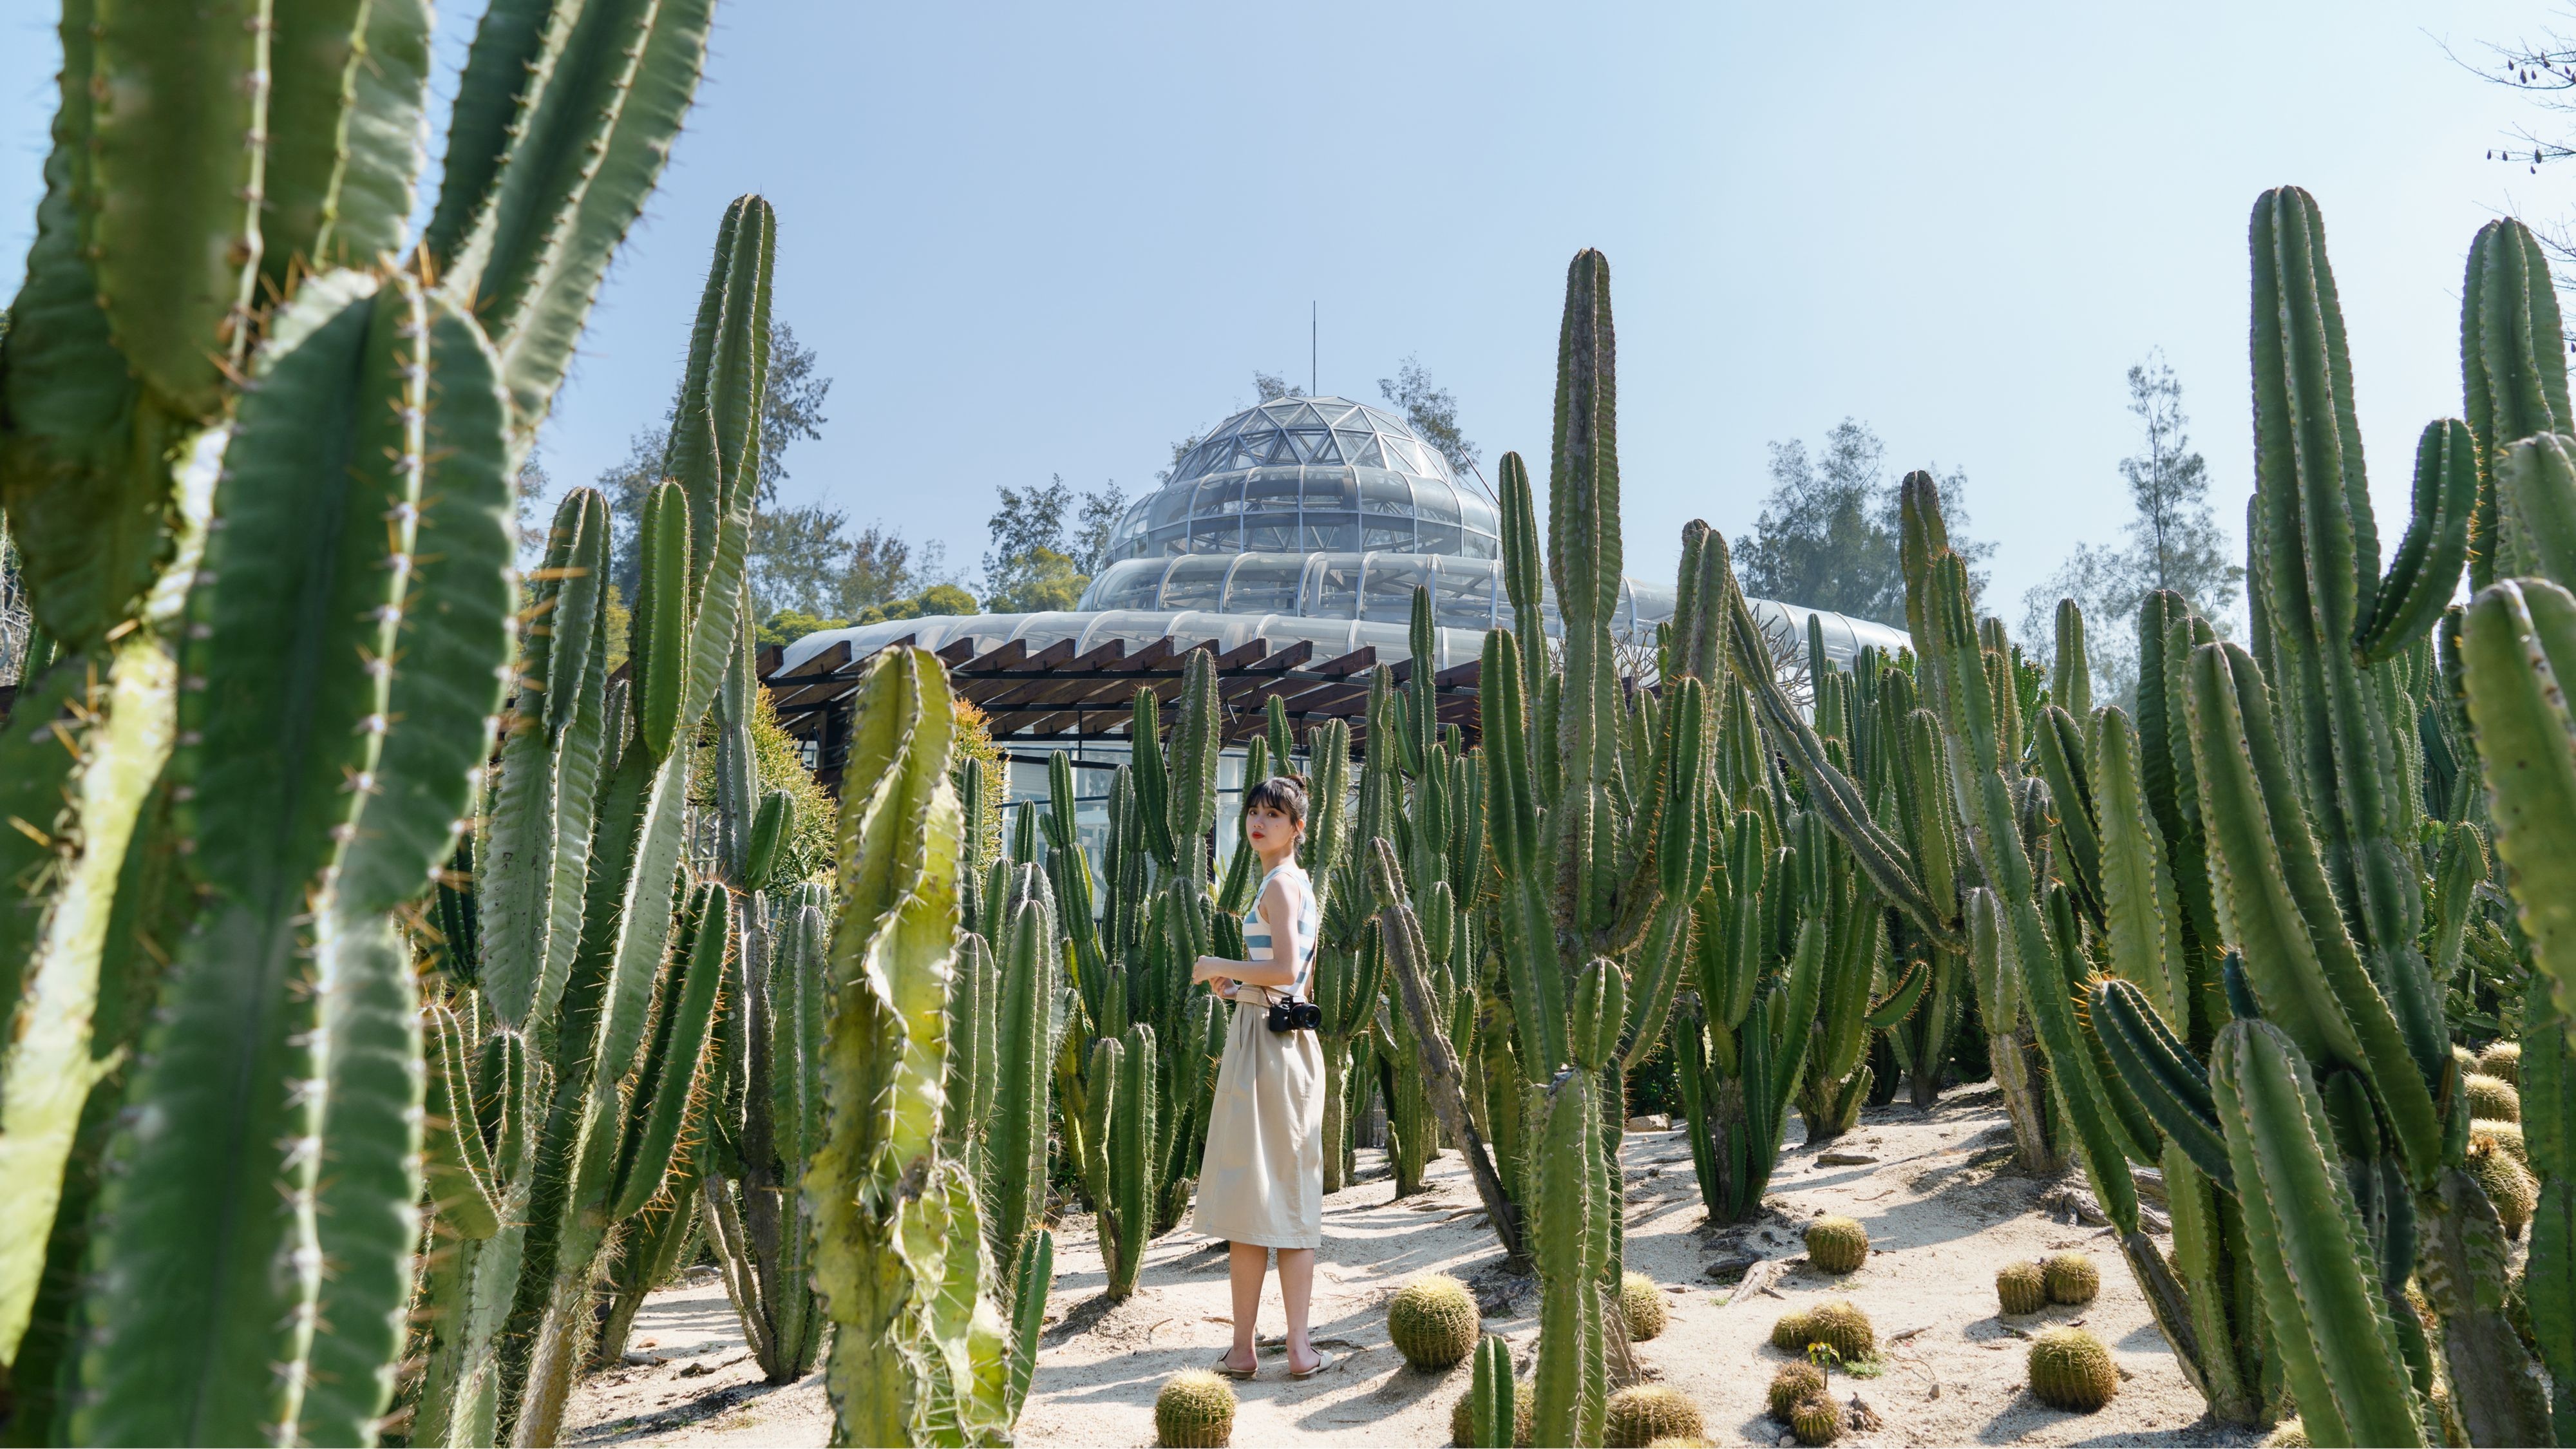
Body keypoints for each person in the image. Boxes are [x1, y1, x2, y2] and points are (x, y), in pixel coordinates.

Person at [1189, 773, 1329, 1381]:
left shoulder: (1280, 885)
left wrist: (1215, 964)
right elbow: (1299, 981)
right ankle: (1274, 1349)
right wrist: (1241, 987)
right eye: (1254, 811)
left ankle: (1266, 1348)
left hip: (1269, 1049)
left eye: (1274, 814)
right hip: (1279, 1037)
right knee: (1278, 1195)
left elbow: (1285, 966)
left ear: (1298, 828)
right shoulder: (1294, 884)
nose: (1259, 821)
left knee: (1265, 1195)